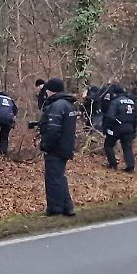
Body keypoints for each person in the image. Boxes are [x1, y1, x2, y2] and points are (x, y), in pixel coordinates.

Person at [38, 78, 77, 217]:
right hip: (66, 146)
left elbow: (53, 129)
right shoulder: (69, 105)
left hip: (56, 148)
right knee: (59, 177)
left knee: (53, 178)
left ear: (50, 90)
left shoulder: (57, 106)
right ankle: (68, 207)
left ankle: (55, 208)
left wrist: (45, 144)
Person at [103, 83, 137, 172]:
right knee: (127, 147)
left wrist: (107, 128)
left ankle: (113, 164)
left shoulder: (115, 102)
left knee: (108, 145)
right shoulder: (131, 101)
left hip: (117, 127)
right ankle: (130, 166)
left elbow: (110, 116)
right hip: (129, 128)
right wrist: (134, 129)